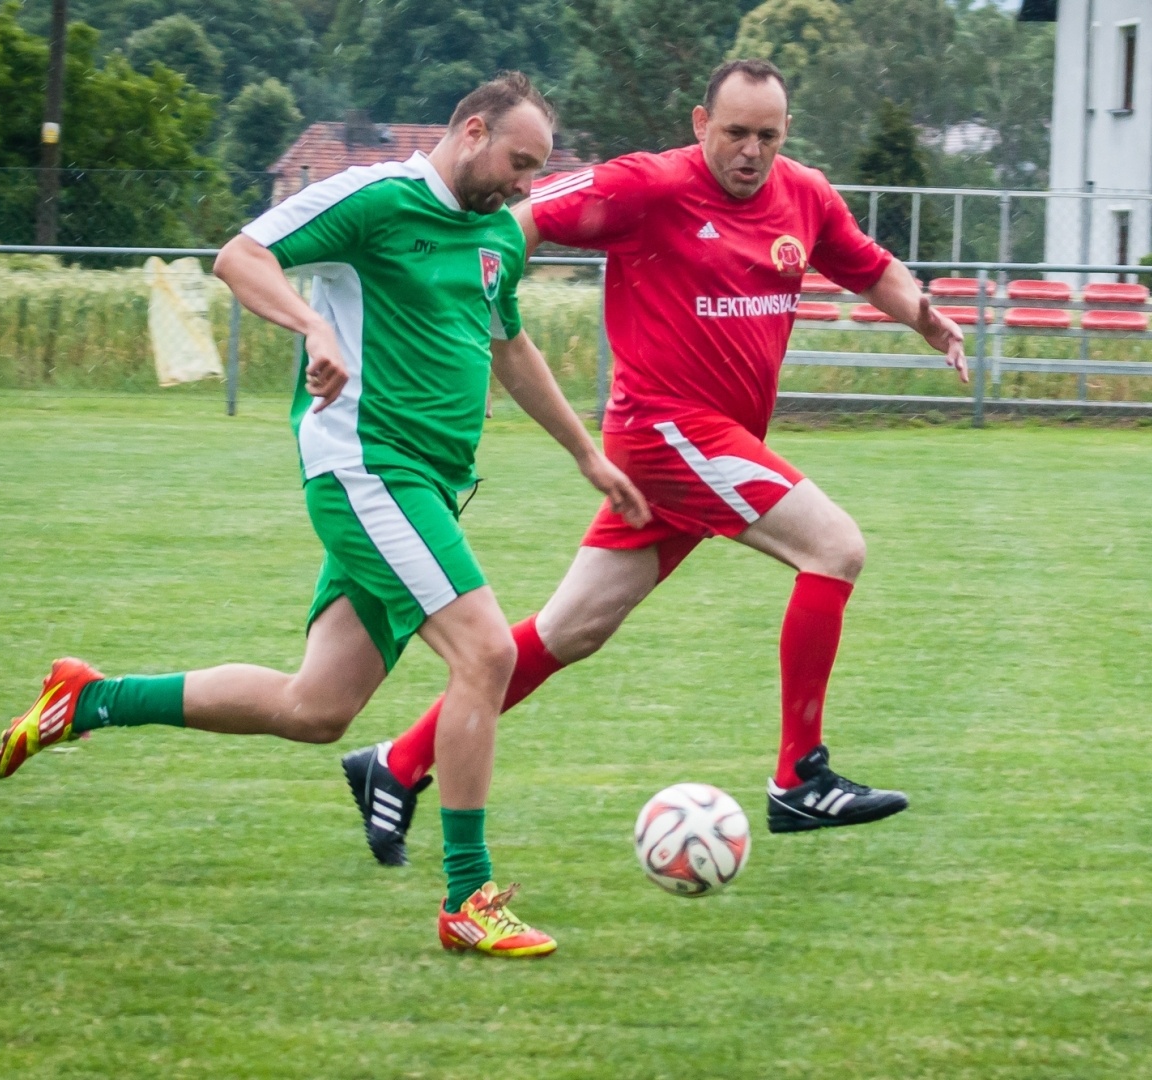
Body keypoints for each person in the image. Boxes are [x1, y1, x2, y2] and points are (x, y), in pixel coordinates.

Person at [0, 72, 649, 958]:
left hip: (428, 488)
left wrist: (586, 452)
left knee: (316, 708)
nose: (526, 184)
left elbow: (511, 346)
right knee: (488, 653)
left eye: (538, 168)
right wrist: (316, 328)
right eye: (518, 161)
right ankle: (468, 897)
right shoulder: (374, 199)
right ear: (471, 130)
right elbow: (240, 257)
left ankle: (90, 700)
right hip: (369, 471)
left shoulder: (496, 234)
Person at [344, 57, 966, 866]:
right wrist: (474, 294)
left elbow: (868, 266)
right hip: (667, 433)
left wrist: (927, 319)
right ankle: (799, 778)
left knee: (572, 630)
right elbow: (524, 218)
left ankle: (395, 764)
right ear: (702, 125)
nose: (751, 151)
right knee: (835, 546)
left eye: (768, 137)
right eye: (736, 132)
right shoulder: (646, 187)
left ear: (786, 136)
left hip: (703, 453)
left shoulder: (804, 194)